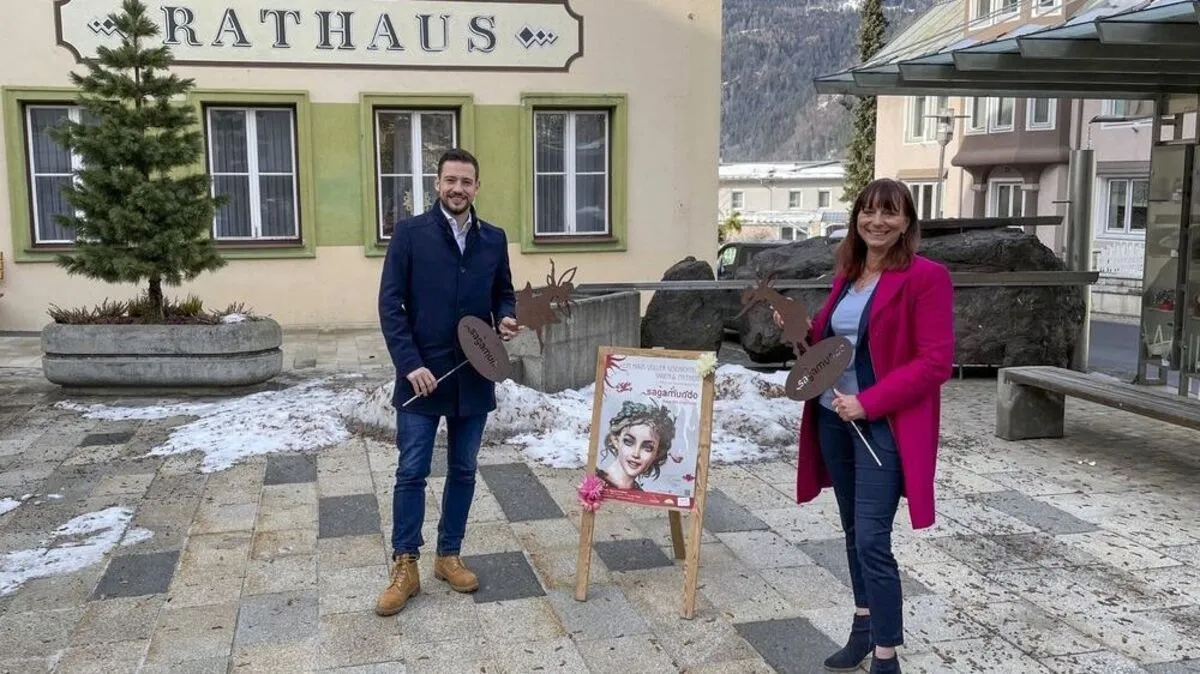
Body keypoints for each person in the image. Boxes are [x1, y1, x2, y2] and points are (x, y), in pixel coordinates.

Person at [780, 178, 954, 673]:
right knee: (853, 530)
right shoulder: (849, 274)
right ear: (856, 217)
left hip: (883, 424)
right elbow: (833, 344)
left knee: (874, 538)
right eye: (869, 211)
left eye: (890, 212)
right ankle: (862, 625)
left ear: (907, 222)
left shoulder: (926, 277)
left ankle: (886, 652)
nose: (877, 221)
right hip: (834, 420)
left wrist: (869, 403)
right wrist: (797, 330)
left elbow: (935, 362)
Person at [375, 148, 518, 616]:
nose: (458, 188)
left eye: (467, 181)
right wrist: (409, 364)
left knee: (463, 469)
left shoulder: (493, 239)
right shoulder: (410, 235)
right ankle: (406, 565)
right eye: (450, 180)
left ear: (477, 187)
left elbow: (502, 293)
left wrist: (508, 318)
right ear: (438, 184)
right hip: (421, 378)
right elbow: (390, 305)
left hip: (474, 374)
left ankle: (448, 555)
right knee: (411, 471)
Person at [597, 400, 676, 490]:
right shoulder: (593, 482)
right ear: (615, 440)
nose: (636, 454)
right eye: (629, 442)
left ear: (657, 453)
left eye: (647, 448)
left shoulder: (640, 493)